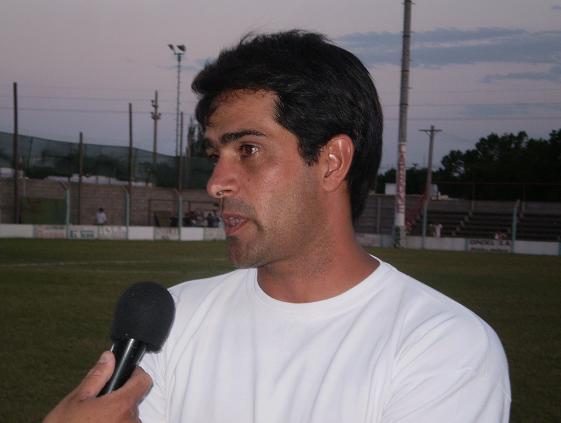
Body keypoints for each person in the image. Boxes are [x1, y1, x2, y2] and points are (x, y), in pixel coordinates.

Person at [44, 30, 510, 422]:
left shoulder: (442, 346)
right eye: (215, 155)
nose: (216, 183)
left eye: (248, 149)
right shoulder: (177, 317)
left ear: (331, 161)